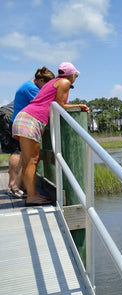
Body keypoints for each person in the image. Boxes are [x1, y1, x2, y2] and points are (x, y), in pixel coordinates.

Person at [12, 62, 89, 206]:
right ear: (71, 75)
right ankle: (32, 196)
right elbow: (59, 106)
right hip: (31, 120)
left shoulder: (54, 82)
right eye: (76, 76)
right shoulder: (64, 82)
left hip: (26, 118)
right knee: (32, 161)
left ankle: (31, 193)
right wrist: (79, 106)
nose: (75, 78)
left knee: (30, 160)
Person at [1, 67, 55, 198]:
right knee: (19, 153)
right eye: (46, 85)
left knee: (23, 155)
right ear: (41, 80)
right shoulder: (32, 88)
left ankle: (17, 186)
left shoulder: (28, 84)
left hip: (14, 118)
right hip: (14, 119)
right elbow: (48, 104)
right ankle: (13, 186)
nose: (46, 89)